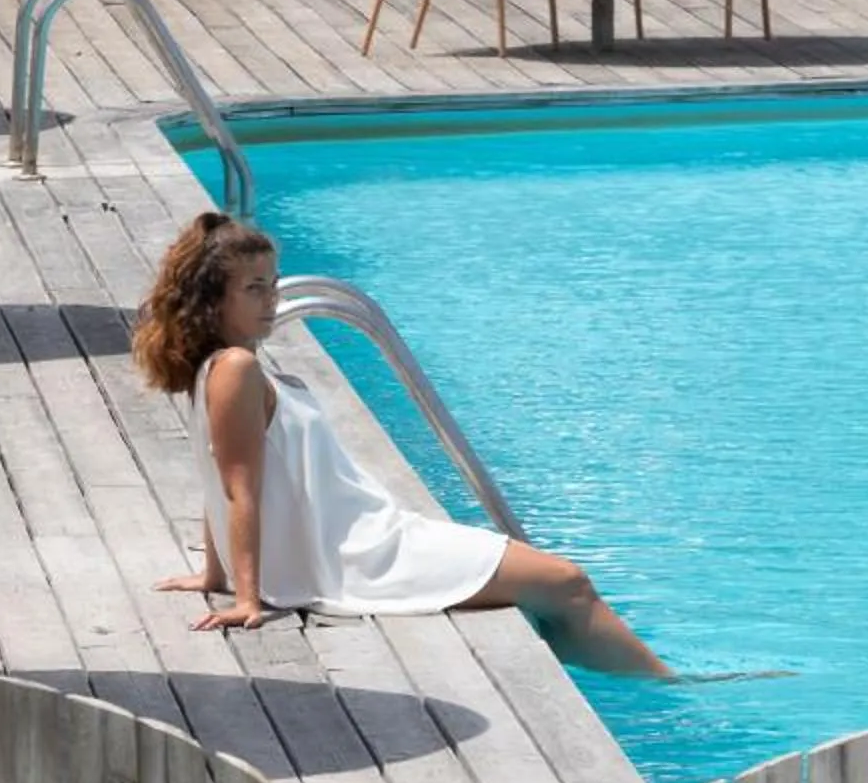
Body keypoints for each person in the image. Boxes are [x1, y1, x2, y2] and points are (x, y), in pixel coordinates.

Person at [135, 212, 671, 679]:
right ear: (212, 301)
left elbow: (216, 470)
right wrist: (245, 597)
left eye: (273, 284)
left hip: (358, 539)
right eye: (253, 288)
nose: (272, 301)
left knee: (555, 590)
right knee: (569, 582)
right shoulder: (237, 368)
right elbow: (235, 487)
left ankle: (624, 676)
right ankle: (668, 692)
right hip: (357, 555)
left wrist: (214, 574)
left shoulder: (223, 365)